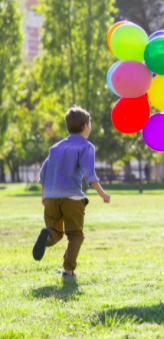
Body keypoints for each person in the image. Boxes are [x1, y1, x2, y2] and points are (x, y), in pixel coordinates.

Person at [32, 106, 111, 279]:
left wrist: (44, 195)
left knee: (55, 232)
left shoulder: (56, 147)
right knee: (75, 235)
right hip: (72, 198)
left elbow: (43, 173)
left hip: (52, 197)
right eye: (90, 124)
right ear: (85, 126)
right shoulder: (86, 146)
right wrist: (102, 193)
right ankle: (68, 271)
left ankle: (47, 236)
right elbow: (90, 174)